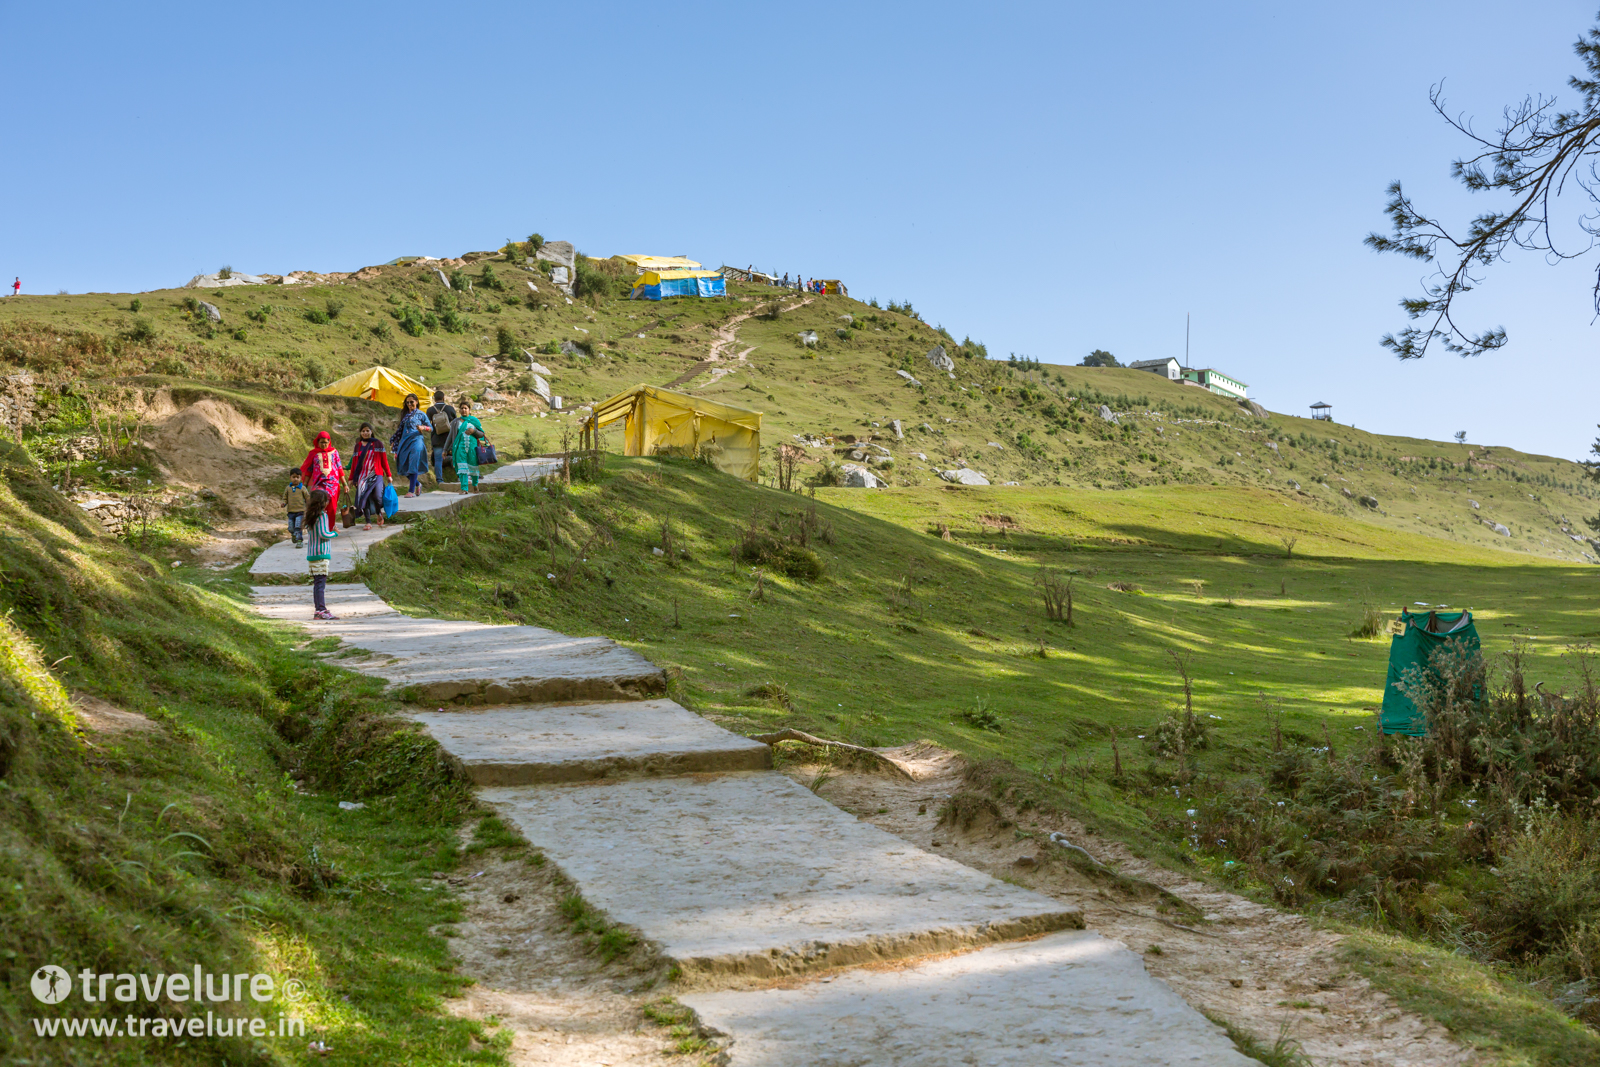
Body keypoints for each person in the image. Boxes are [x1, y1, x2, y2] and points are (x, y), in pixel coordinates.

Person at [346, 423, 394, 531]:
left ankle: (378, 512)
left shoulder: (378, 444)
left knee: (377, 497)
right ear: (360, 433)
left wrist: (388, 475)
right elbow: (354, 463)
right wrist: (351, 478)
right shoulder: (357, 446)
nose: (365, 433)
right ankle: (368, 521)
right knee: (364, 497)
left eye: (367, 430)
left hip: (376, 474)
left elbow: (384, 461)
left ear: (371, 431)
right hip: (362, 476)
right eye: (363, 431)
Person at [298, 431, 347, 530]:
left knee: (332, 508)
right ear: (317, 442)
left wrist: (345, 484)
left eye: (326, 442)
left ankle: (330, 528)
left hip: (333, 485)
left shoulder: (334, 452)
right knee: (317, 505)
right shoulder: (313, 454)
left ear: (329, 442)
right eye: (321, 442)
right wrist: (304, 485)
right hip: (319, 484)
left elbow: (339, 468)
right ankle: (317, 528)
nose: (324, 444)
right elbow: (308, 471)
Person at [304, 488, 339, 621]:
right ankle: (321, 610)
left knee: (317, 583)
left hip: (312, 554)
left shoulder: (310, 516)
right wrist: (334, 533)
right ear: (322, 502)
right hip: (321, 553)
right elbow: (324, 534)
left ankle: (318, 609)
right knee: (321, 584)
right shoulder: (322, 516)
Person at [389, 393, 431, 497]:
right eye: (407, 402)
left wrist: (423, 428)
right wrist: (395, 441)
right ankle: (417, 484)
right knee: (403, 465)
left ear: (416, 402)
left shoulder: (421, 414)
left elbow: (431, 428)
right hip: (405, 441)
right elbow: (400, 431)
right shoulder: (405, 415)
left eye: (411, 402)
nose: (409, 404)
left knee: (413, 463)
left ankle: (411, 490)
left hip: (417, 440)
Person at [446, 398, 489, 494]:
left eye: (465, 408)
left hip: (472, 448)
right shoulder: (455, 422)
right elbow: (450, 436)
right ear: (459, 410)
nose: (463, 410)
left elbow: (482, 434)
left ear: (469, 410)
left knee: (473, 467)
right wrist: (445, 450)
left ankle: (475, 485)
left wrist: (474, 431)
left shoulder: (474, 421)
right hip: (459, 448)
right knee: (462, 467)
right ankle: (464, 488)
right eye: (461, 408)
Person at [424, 388, 457, 485]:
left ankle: (439, 480)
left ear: (434, 399)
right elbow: (455, 422)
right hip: (449, 438)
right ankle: (460, 476)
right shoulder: (450, 408)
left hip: (436, 438)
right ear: (443, 398)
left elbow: (427, 424)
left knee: (438, 459)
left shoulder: (430, 410)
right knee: (456, 457)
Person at [284, 468, 309, 547]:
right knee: (291, 528)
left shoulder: (303, 488)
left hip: (300, 511)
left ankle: (299, 541)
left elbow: (307, 497)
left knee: (298, 526)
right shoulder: (288, 488)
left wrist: (309, 505)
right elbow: (285, 498)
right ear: (290, 477)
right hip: (291, 512)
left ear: (300, 478)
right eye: (293, 477)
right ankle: (293, 535)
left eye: (297, 477)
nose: (295, 479)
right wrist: (284, 503)